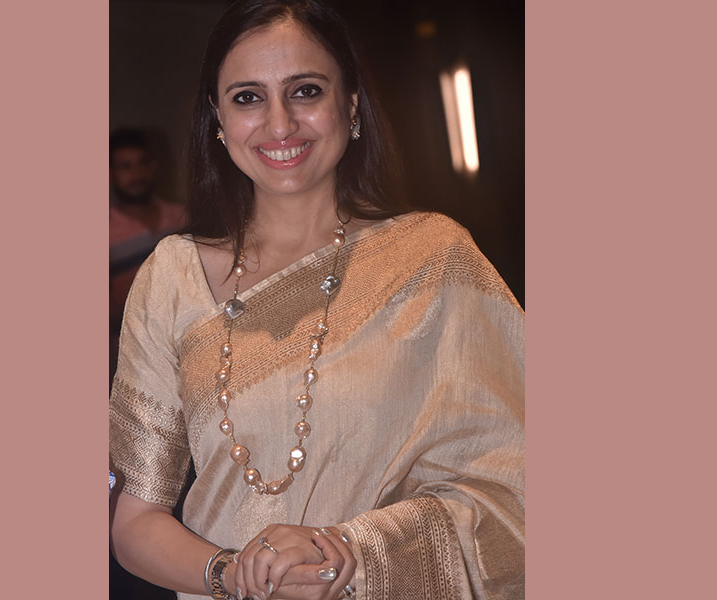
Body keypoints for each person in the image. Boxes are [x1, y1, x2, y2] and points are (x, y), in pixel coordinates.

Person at [109, 1, 524, 599]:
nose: (279, 124)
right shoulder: (173, 276)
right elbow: (135, 522)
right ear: (218, 119)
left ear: (350, 104)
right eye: (248, 98)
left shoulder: (432, 260)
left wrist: (358, 552)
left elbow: (514, 485)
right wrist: (235, 575)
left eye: (305, 91)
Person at [110, 128, 185, 383]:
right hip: (125, 359)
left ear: (153, 167)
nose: (136, 174)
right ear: (110, 173)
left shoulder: (181, 218)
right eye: (125, 167)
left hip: (182, 350)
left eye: (142, 163)